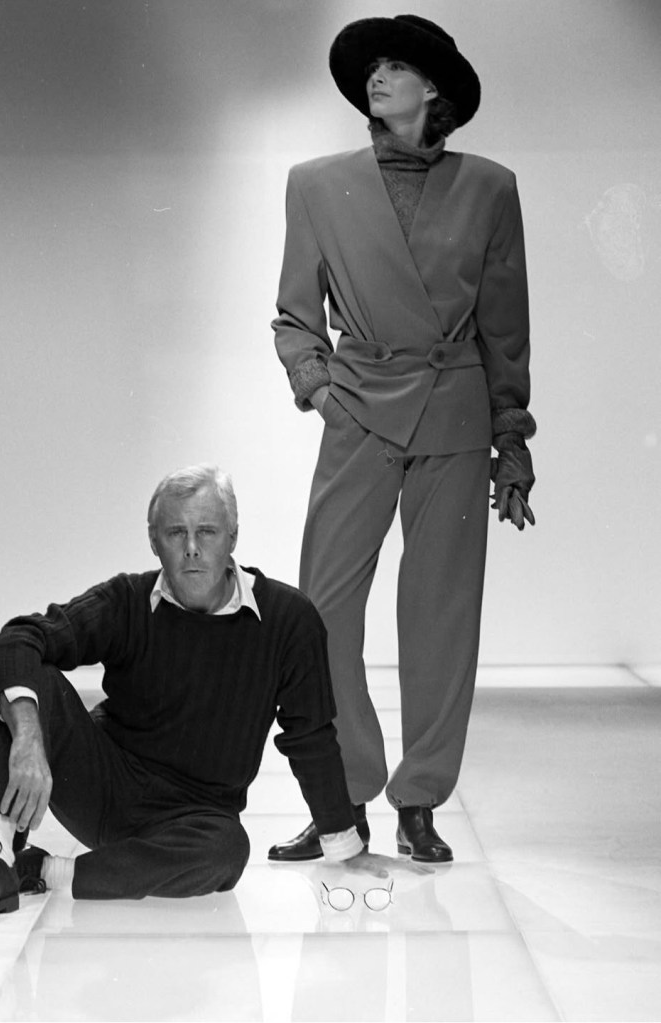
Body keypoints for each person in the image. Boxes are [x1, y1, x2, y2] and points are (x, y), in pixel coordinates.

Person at [270, 14, 535, 865]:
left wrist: (511, 439)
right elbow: (293, 315)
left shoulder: (489, 188)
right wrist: (320, 390)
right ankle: (342, 794)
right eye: (372, 66)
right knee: (320, 611)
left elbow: (504, 327)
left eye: (395, 66)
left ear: (434, 90)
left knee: (441, 615)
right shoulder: (316, 184)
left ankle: (419, 799)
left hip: (454, 412)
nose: (376, 77)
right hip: (359, 407)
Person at [0, 464, 408, 925]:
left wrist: (344, 846)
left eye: (207, 531)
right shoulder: (127, 600)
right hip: (104, 787)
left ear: (232, 536)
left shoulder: (288, 620)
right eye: (175, 533)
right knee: (27, 687)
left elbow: (311, 736)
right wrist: (28, 737)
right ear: (153, 540)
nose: (191, 549)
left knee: (228, 850)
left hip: (195, 815)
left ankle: (45, 871)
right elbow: (16, 640)